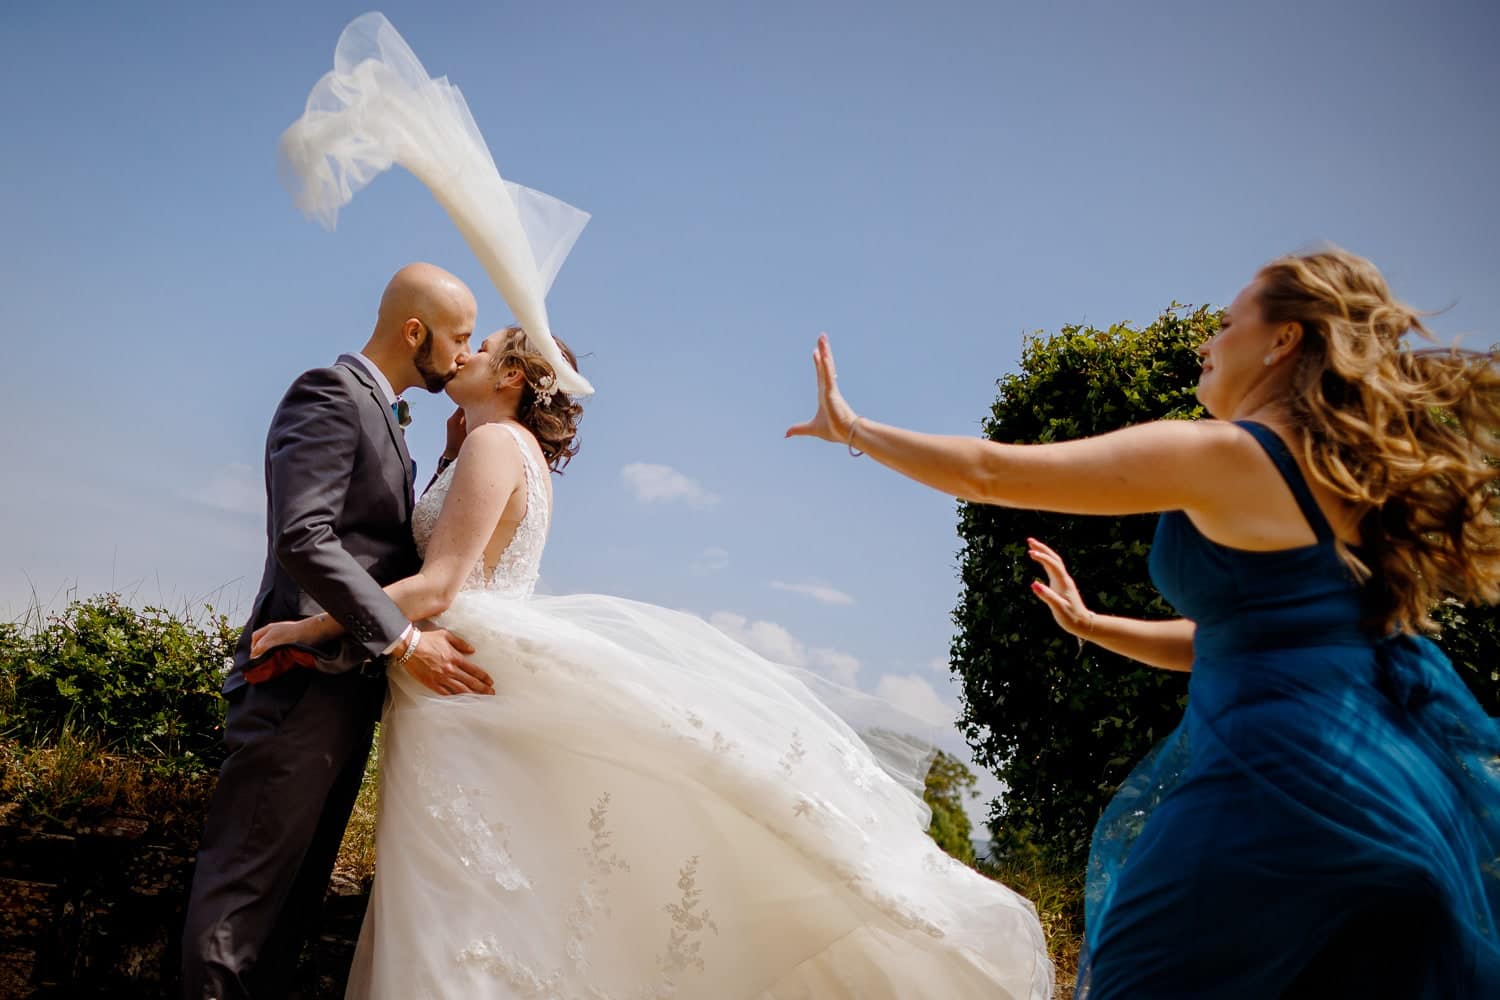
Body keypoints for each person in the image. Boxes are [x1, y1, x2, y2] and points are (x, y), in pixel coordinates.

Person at [250, 325, 1055, 1000]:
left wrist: (310, 628)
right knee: (486, 894)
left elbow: (442, 581)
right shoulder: (497, 443)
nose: (464, 352)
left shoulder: (498, 442)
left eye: (484, 342)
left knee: (462, 899)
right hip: (463, 678)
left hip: (459, 683)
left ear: (515, 374)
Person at [786, 245, 1500, 996]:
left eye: (1227, 323)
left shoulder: (1223, 453)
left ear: (1283, 340)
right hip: (1394, 807)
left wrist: (853, 426)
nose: (1207, 341)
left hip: (1277, 794)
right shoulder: (1356, 491)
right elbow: (1239, 643)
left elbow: (988, 471)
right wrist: (1093, 625)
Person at [180, 263, 496, 1000]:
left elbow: (377, 544)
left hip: (343, 694)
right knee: (242, 904)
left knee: (291, 908)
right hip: (297, 685)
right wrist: (407, 642)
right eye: (458, 337)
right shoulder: (329, 393)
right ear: (413, 332)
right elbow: (305, 537)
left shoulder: (388, 418)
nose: (464, 352)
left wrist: (449, 464)